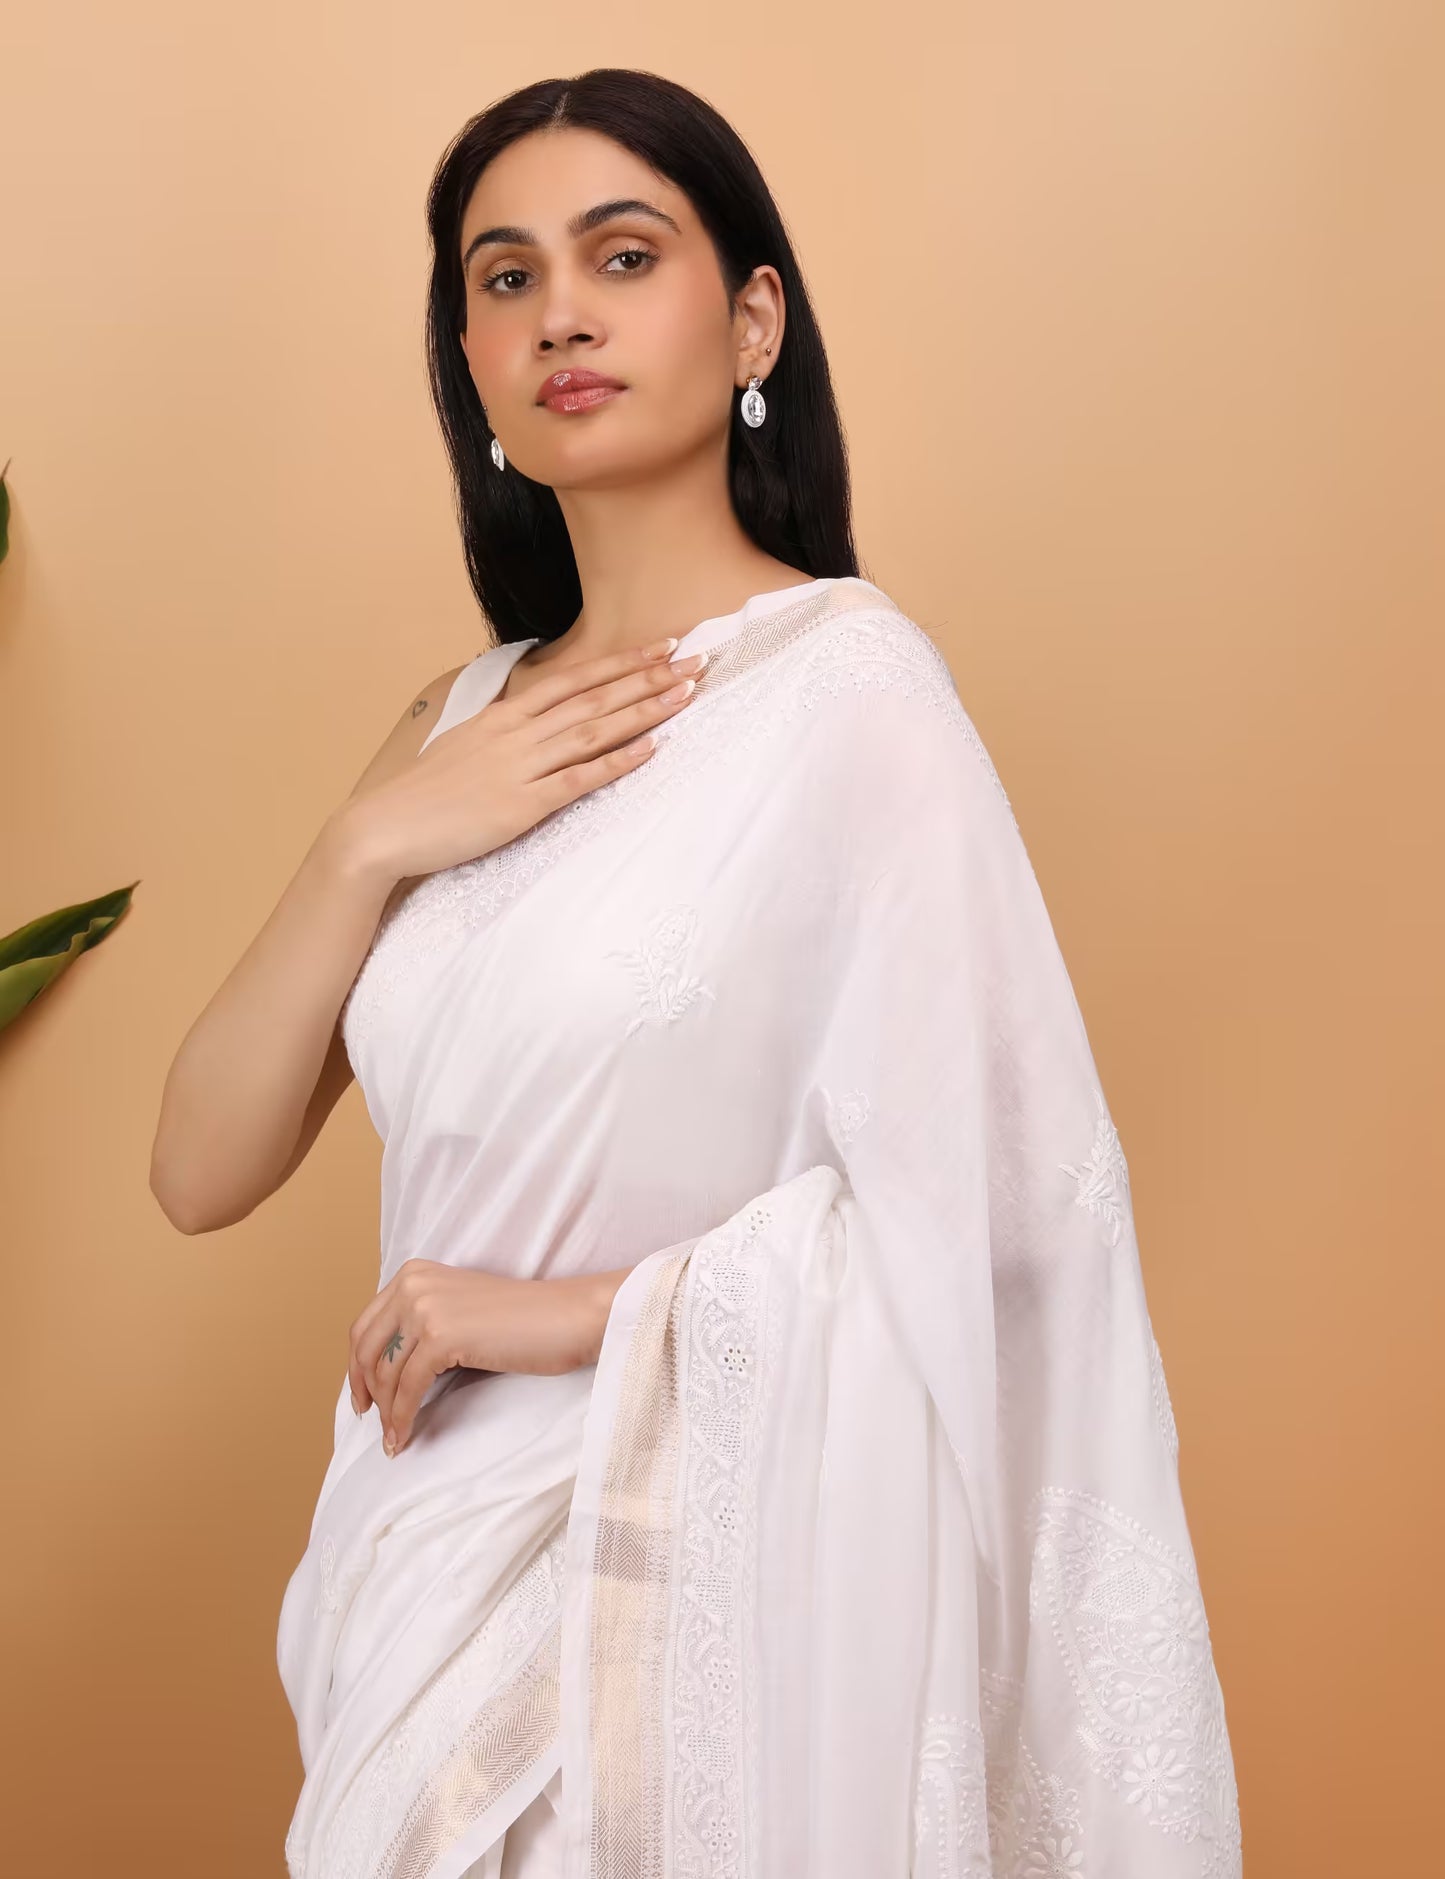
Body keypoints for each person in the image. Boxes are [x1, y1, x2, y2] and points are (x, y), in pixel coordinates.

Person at [150, 67, 1242, 1879]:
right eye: (501, 278)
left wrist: (547, 1314)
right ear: (471, 364)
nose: (557, 310)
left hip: (679, 1584)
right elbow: (200, 1169)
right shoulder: (454, 727)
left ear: (750, 318)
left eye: (621, 253)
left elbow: (1003, 1223)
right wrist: (378, 837)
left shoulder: (851, 699)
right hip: (412, 1571)